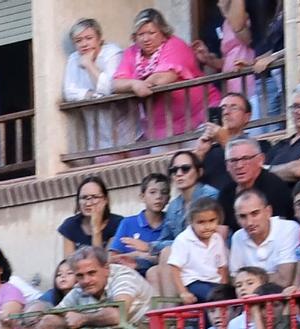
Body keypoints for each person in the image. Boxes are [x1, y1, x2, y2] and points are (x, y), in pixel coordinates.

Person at [112, 8, 207, 143]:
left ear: (163, 33)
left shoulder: (175, 45)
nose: (146, 39)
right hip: (161, 128)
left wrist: (138, 85)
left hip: (196, 118)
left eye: (151, 33)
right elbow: (115, 84)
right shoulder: (131, 53)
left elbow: (164, 77)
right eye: (141, 34)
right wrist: (134, 84)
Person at [64, 19, 128, 155]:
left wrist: (88, 64)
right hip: (98, 138)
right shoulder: (74, 59)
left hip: (127, 130)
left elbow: (108, 88)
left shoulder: (113, 53)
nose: (84, 44)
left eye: (89, 38)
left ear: (99, 39)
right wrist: (91, 95)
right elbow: (69, 92)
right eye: (78, 40)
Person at [112, 173, 172, 274]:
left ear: (168, 199)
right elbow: (111, 258)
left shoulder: (171, 223)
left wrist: (147, 253)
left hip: (163, 276)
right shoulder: (128, 223)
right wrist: (136, 255)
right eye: (153, 192)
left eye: (164, 193)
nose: (159, 197)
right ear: (142, 196)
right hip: (132, 277)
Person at [57, 177, 126, 259]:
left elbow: (102, 263)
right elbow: (69, 263)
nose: (88, 203)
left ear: (105, 200)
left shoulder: (118, 223)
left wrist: (96, 229)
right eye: (84, 198)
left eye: (95, 197)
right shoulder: (70, 225)